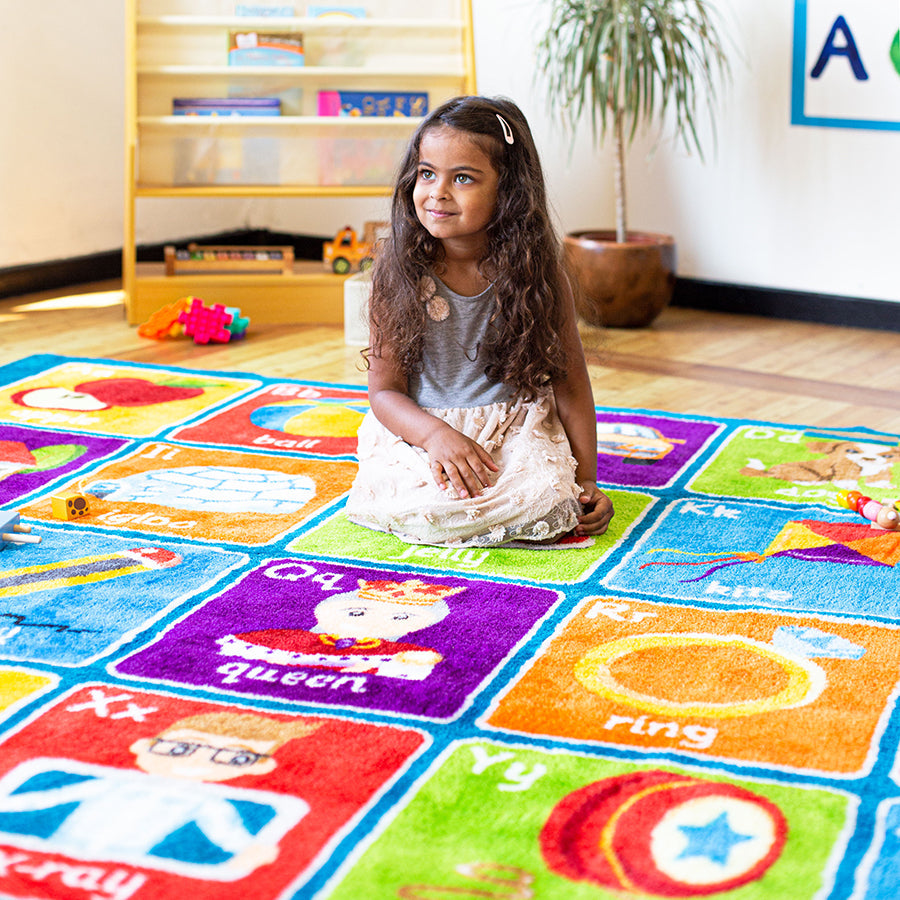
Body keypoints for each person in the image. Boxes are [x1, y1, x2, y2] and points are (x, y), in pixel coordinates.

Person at [345, 96, 614, 547]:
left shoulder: (539, 272)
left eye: (463, 178)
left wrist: (585, 482)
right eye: (427, 173)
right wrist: (435, 436)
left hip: (511, 427)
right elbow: (384, 392)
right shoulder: (397, 267)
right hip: (421, 429)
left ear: (507, 191)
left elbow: (570, 384)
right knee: (413, 503)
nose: (437, 193)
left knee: (549, 501)